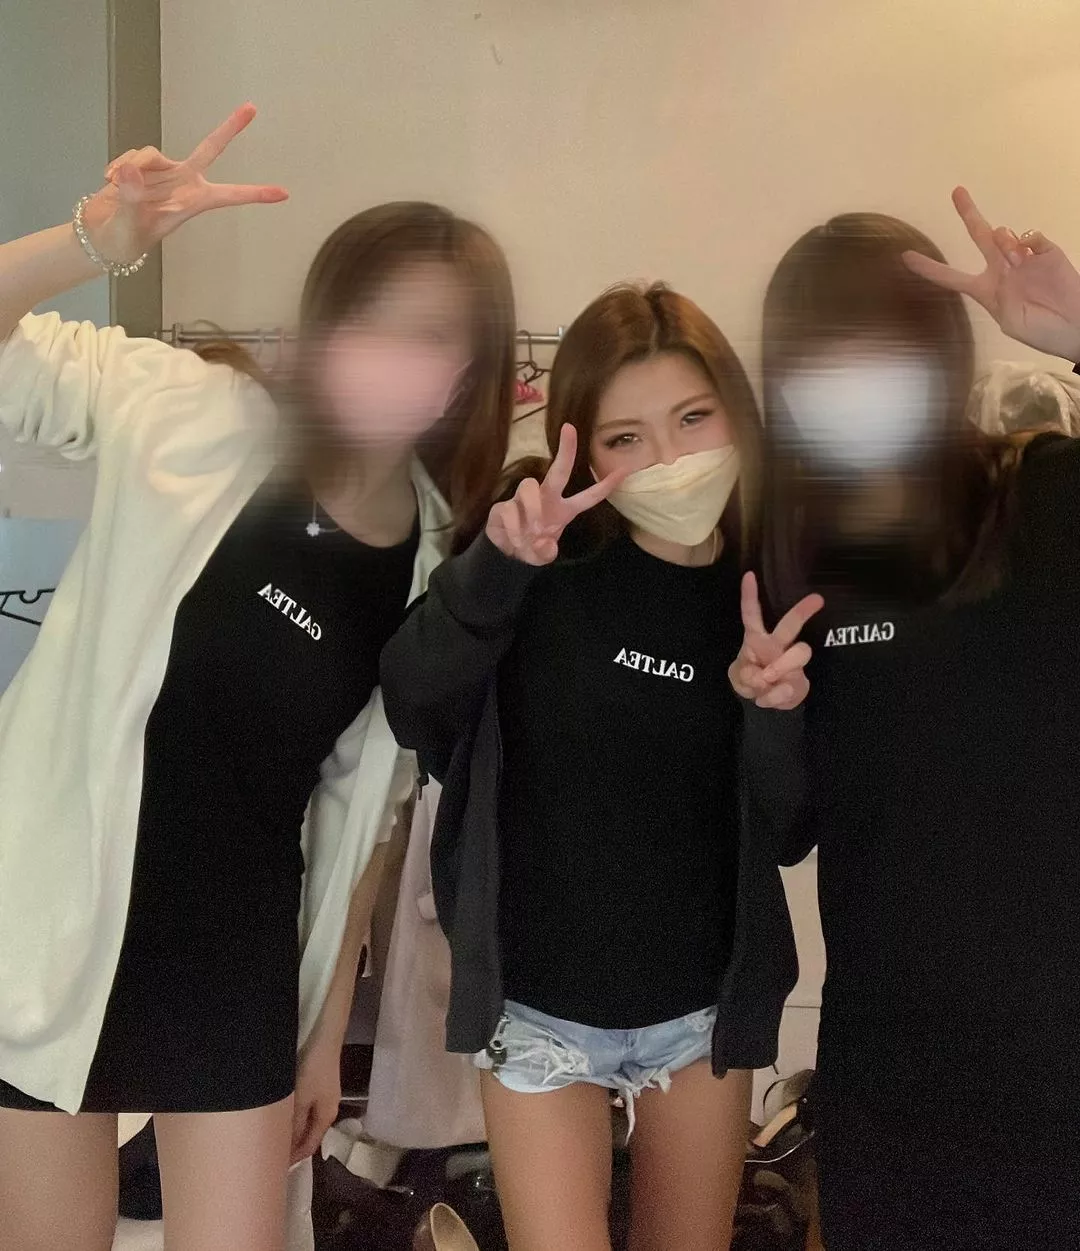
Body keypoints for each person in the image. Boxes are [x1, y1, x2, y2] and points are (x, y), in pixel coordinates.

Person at [0, 104, 516, 1251]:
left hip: (234, 960)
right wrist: (91, 240)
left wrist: (325, 1034)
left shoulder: (431, 560)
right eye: (372, 321)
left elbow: (367, 808)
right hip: (53, 920)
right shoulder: (194, 412)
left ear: (468, 370)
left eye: (431, 334)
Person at [380, 282, 821, 1251]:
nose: (668, 457)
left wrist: (774, 714)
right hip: (539, 1012)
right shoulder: (541, 551)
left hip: (701, 1016)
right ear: (582, 446)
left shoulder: (769, 583)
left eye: (694, 418)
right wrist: (495, 572)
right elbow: (412, 705)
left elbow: (791, 830)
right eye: (627, 436)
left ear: (737, 411)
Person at [731, 189, 1080, 1251]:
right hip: (891, 1069)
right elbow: (789, 824)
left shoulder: (1040, 495)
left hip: (1058, 1061)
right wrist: (770, 715)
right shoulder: (797, 557)